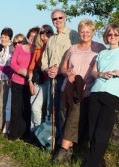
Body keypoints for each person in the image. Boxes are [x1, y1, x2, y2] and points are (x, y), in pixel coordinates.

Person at [52, 19, 106, 163]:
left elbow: (107, 63)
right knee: (65, 119)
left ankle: (62, 152)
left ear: (93, 33)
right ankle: (69, 153)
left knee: (75, 120)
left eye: (88, 31)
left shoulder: (99, 48)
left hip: (87, 90)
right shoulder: (73, 48)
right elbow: (63, 68)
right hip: (69, 89)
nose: (85, 34)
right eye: (82, 31)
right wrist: (68, 73)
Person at [83, 24, 119, 167]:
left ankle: (90, 164)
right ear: (106, 36)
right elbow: (93, 72)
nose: (112, 37)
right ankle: (99, 163)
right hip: (96, 92)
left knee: (102, 131)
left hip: (112, 94)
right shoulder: (102, 53)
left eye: (115, 35)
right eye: (110, 34)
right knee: (92, 130)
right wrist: (101, 74)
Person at [41, 9, 80, 145]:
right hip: (52, 79)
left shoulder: (73, 35)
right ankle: (52, 141)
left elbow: (77, 56)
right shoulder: (51, 39)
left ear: (65, 18)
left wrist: (60, 70)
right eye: (54, 19)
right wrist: (48, 69)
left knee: (65, 111)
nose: (57, 21)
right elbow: (44, 60)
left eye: (60, 18)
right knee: (52, 110)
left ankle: (65, 144)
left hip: (65, 78)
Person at [9, 27, 39, 140]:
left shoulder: (38, 50)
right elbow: (13, 63)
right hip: (17, 82)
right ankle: (13, 135)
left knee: (27, 109)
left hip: (29, 85)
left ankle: (25, 135)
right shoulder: (20, 48)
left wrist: (29, 76)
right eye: (31, 36)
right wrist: (24, 72)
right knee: (15, 109)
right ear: (27, 37)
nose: (33, 39)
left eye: (36, 37)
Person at [28, 25, 54, 132]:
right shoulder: (38, 49)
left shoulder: (53, 47)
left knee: (36, 107)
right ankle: (32, 131)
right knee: (32, 105)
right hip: (37, 80)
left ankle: (38, 133)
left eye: (47, 32)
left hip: (48, 80)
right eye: (42, 33)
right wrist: (30, 82)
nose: (44, 35)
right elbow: (31, 68)